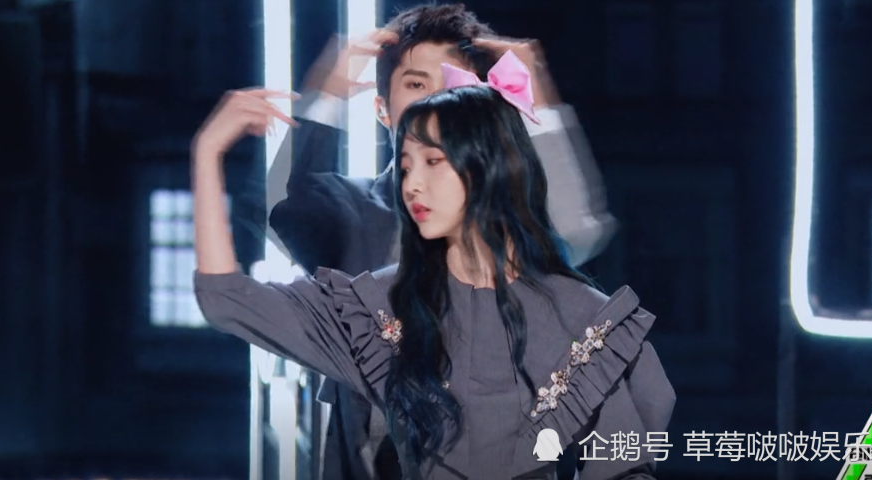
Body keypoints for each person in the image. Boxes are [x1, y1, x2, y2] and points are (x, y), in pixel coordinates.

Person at [190, 51, 675, 479]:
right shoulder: (378, 310)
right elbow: (225, 298)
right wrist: (207, 153)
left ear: (489, 165)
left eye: (433, 162)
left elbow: (624, 467)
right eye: (405, 167)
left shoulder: (581, 318)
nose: (412, 184)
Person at [262, 4, 617, 479]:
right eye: (416, 85)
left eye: (452, 83)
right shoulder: (354, 212)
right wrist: (326, 95)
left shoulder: (511, 214)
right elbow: (285, 212)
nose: (435, 101)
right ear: (383, 110)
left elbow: (576, 230)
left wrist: (541, 101)